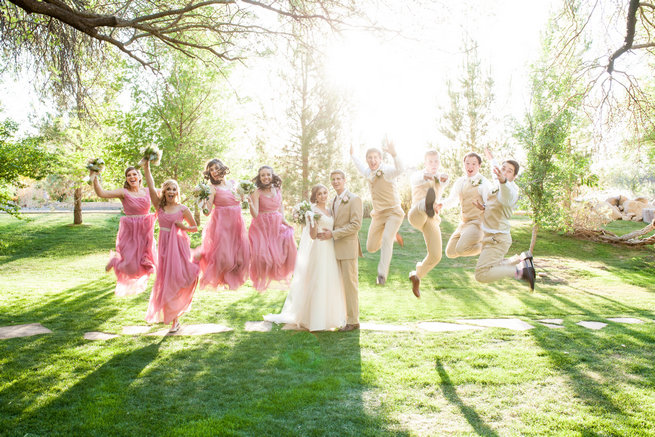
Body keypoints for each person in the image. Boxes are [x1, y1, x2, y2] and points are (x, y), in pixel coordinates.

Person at [264, 184, 347, 331]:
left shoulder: (329, 210)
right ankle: (313, 319)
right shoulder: (312, 211)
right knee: (318, 280)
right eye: (319, 194)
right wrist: (312, 222)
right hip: (319, 248)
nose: (323, 196)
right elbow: (313, 235)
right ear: (315, 196)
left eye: (325, 192)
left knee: (330, 280)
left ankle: (330, 318)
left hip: (330, 249)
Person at [143, 160, 200, 332]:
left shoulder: (183, 209)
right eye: (168, 188)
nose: (171, 191)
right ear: (164, 191)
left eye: (174, 189)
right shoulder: (159, 206)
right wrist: (147, 166)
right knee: (167, 280)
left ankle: (176, 314)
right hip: (165, 246)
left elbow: (195, 227)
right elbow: (151, 185)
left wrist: (184, 227)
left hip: (180, 246)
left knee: (180, 278)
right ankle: (174, 319)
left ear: (177, 192)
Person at [472, 148, 535, 290]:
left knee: (481, 274)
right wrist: (491, 158)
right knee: (492, 267)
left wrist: (503, 179)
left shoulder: (511, 191)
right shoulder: (498, 184)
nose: (504, 172)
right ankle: (520, 260)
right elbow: (497, 175)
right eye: (503, 169)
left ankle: (521, 271)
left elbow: (505, 194)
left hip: (498, 239)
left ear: (514, 176)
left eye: (509, 171)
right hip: (492, 237)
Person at [89, 166, 156, 296]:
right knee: (131, 267)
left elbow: (166, 191)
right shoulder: (123, 192)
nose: (132, 177)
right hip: (130, 230)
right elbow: (101, 193)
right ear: (126, 179)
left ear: (140, 176)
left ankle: (135, 264)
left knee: (145, 265)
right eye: (129, 175)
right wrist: (94, 177)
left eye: (134, 174)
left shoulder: (148, 191)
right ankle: (116, 262)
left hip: (145, 230)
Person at [350, 138, 404, 285]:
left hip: (393, 212)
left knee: (386, 239)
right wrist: (352, 155)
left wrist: (394, 155)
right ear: (367, 160)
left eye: (375, 157)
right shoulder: (368, 172)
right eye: (370, 158)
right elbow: (359, 166)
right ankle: (392, 235)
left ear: (380, 159)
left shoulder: (386, 171)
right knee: (371, 247)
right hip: (378, 215)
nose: (372, 160)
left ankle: (382, 275)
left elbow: (400, 169)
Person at [318, 170, 363, 331]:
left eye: (338, 179)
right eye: (333, 179)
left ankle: (353, 321)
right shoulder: (333, 201)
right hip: (333, 249)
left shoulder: (354, 199)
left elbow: (356, 225)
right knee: (338, 286)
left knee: (350, 285)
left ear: (345, 180)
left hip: (348, 248)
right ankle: (342, 317)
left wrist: (334, 234)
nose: (336, 181)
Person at [195, 159, 249, 290]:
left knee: (240, 256)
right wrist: (201, 201)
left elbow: (241, 200)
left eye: (216, 168)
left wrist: (245, 198)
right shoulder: (212, 189)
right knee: (224, 256)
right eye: (211, 170)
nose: (214, 172)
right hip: (221, 224)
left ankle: (233, 278)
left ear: (223, 168)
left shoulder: (234, 184)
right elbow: (207, 212)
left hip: (236, 224)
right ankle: (221, 278)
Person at [248, 165, 297, 292]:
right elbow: (255, 214)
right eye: (263, 175)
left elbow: (280, 208)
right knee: (263, 256)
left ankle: (280, 273)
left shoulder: (278, 189)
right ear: (259, 177)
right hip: (262, 225)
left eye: (268, 174)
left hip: (276, 223)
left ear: (272, 175)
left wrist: (285, 222)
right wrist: (250, 204)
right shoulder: (256, 191)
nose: (266, 177)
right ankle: (262, 276)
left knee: (285, 246)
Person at [407, 150, 449, 298]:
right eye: (430, 161)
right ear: (425, 163)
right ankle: (427, 205)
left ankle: (417, 276)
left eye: (436, 161)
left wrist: (444, 179)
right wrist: (425, 176)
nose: (433, 164)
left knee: (436, 255)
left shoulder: (440, 178)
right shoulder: (417, 176)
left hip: (431, 219)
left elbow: (445, 181)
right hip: (416, 214)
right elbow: (416, 179)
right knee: (423, 205)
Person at [438, 152, 493, 259]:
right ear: (464, 164)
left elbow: (492, 204)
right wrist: (442, 204)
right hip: (463, 223)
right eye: (467, 163)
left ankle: (489, 245)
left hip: (477, 223)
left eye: (473, 164)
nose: (470, 167)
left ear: (479, 166)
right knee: (450, 252)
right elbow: (453, 199)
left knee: (461, 249)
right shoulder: (460, 182)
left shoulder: (483, 183)